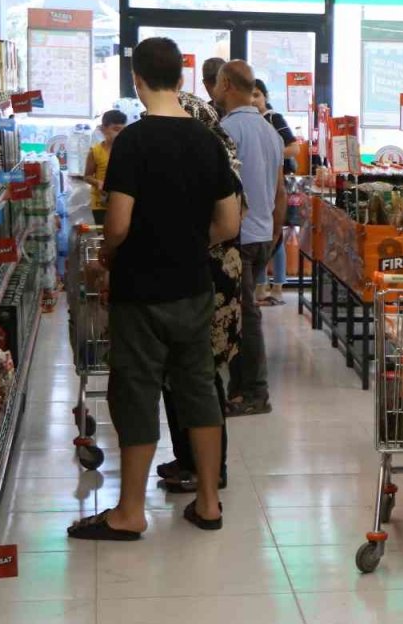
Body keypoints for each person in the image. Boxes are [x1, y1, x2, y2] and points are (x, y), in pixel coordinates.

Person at [67, 37, 240, 540]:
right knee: (199, 389)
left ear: (137, 80)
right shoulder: (208, 142)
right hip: (193, 287)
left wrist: (107, 258)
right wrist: (190, 241)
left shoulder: (133, 143)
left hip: (141, 290)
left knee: (137, 392)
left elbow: (117, 224)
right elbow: (228, 222)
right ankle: (208, 503)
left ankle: (129, 512)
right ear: (182, 79)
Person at [157, 90, 245, 494]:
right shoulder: (200, 155)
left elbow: (227, 225)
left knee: (201, 376)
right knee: (177, 374)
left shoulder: (215, 159)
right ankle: (186, 456)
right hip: (193, 272)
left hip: (209, 277)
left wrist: (182, 245)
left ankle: (211, 467)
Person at [218, 61, 286, 416]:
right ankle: (239, 388)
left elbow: (222, 191)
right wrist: (275, 231)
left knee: (245, 315)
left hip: (238, 238)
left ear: (226, 85)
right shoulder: (269, 130)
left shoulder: (227, 130)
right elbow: (280, 189)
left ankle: (256, 392)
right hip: (262, 236)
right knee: (244, 311)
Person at [252, 78, 297, 306]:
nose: (253, 100)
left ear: (266, 96)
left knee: (276, 236)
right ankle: (260, 286)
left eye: (257, 94)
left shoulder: (274, 119)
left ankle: (278, 285)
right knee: (259, 235)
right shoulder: (248, 122)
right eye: (250, 95)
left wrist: (271, 154)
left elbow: (294, 147)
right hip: (257, 185)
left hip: (277, 185)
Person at [82, 109, 127, 224]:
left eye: (123, 130)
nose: (120, 134)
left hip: (123, 202)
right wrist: (98, 183)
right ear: (103, 129)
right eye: (116, 129)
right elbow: (87, 176)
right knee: (103, 236)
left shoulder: (129, 152)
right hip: (100, 204)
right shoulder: (95, 151)